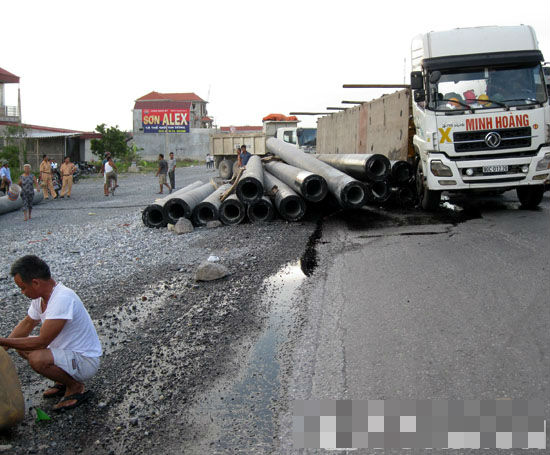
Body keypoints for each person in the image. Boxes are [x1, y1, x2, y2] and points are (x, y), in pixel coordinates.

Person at [0, 255, 102, 411]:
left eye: (23, 287)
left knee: (37, 358)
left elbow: (41, 341)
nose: (22, 292)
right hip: (67, 353)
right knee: (22, 346)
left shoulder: (62, 298)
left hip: (85, 360)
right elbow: (27, 323)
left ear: (35, 282)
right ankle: (63, 381)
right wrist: (3, 349)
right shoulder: (40, 298)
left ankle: (75, 386)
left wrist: (3, 341)